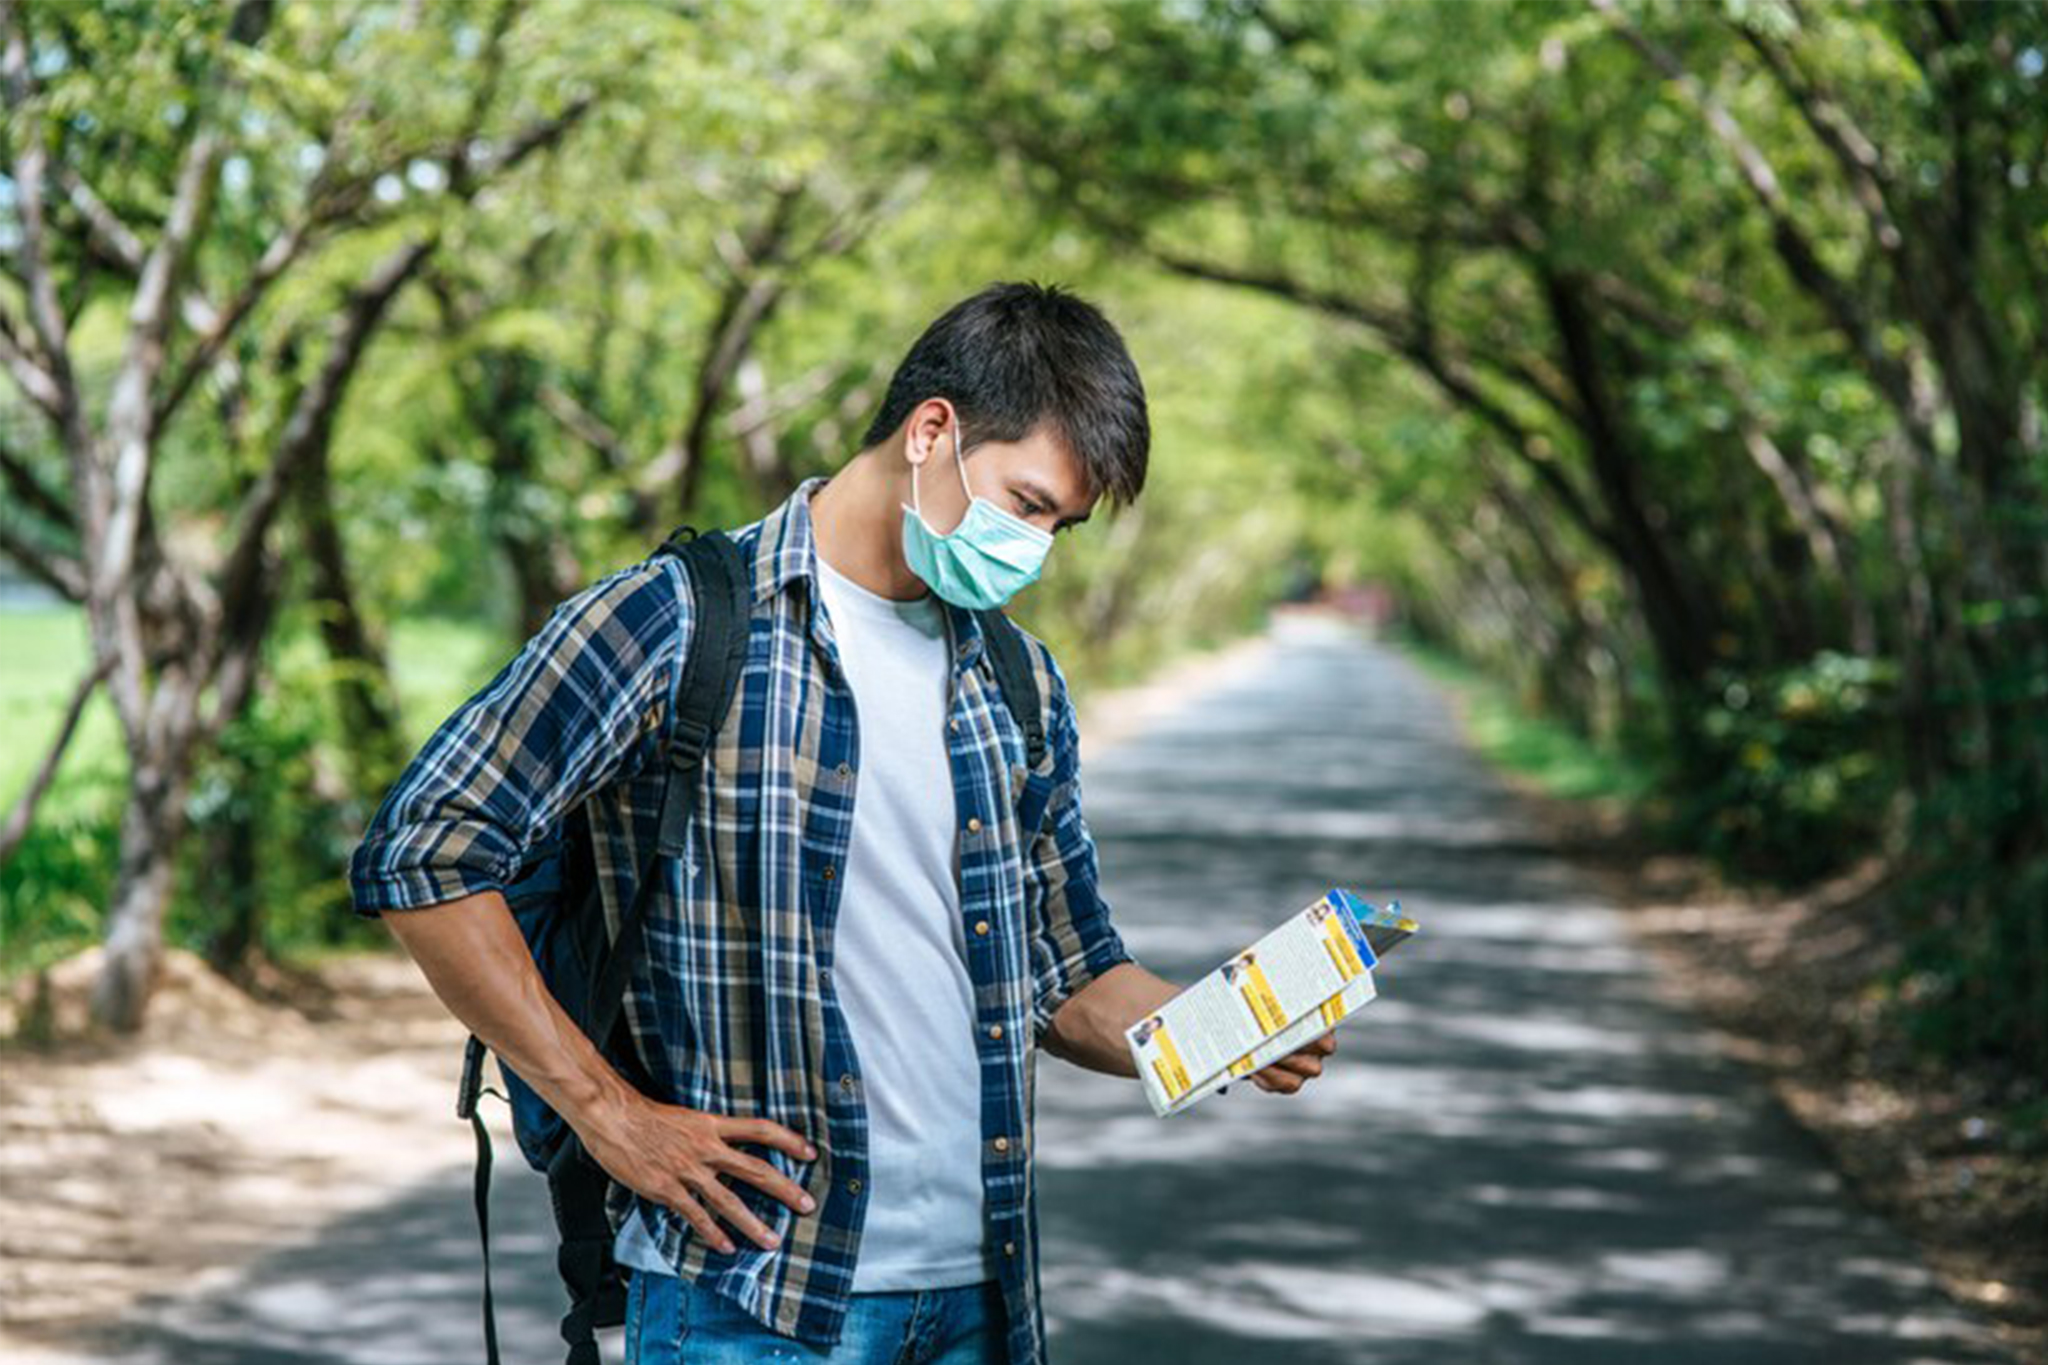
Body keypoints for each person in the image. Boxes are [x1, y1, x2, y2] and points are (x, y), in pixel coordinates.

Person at [347, 281, 1338, 1365]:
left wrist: (1223, 1026)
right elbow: (426, 846)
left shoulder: (1015, 682)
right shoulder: (677, 623)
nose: (1036, 548)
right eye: (1025, 503)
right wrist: (607, 1112)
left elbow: (1064, 978)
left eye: (1059, 526)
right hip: (750, 1300)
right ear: (931, 432)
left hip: (980, 1294)